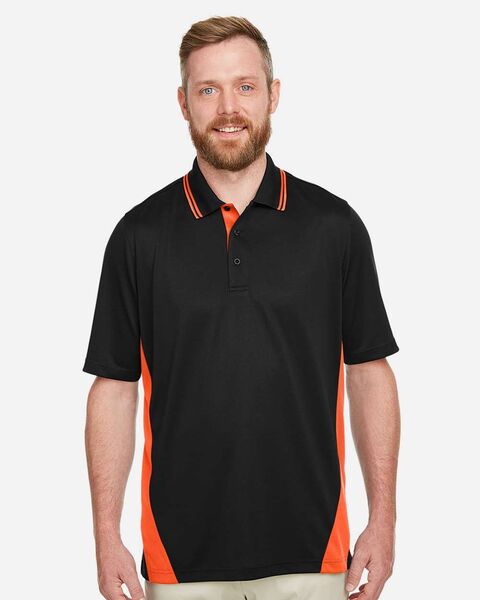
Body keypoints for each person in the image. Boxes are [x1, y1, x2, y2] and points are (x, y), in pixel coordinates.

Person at [83, 15, 400, 600]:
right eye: (208, 89)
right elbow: (114, 388)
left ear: (273, 95)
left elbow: (369, 371)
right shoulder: (139, 236)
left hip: (315, 553)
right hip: (178, 561)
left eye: (245, 86)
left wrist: (384, 521)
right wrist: (106, 535)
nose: (228, 108)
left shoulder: (334, 227)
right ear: (183, 103)